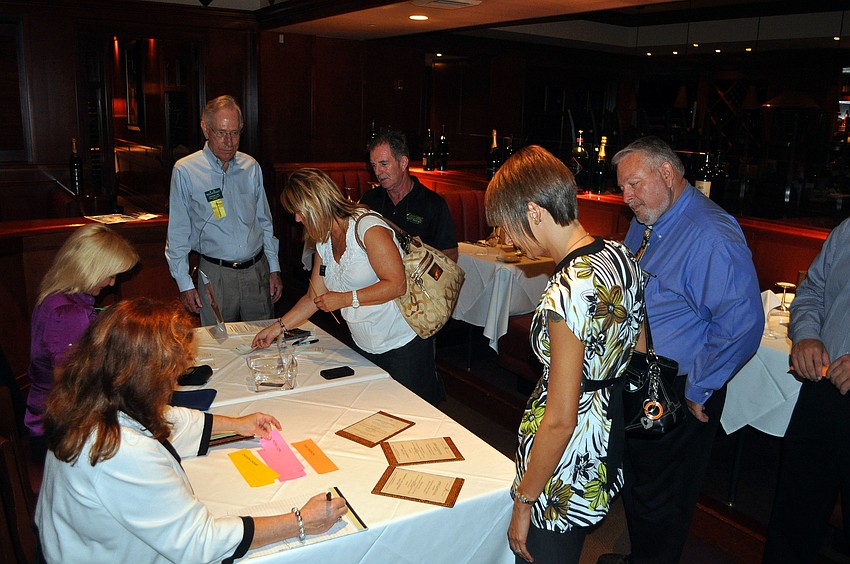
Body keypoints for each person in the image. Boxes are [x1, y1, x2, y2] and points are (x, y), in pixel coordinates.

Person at [36, 298, 347, 563]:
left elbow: (165, 420)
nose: (176, 380)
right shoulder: (120, 450)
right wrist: (301, 521)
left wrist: (236, 425)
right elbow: (199, 543)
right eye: (173, 371)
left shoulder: (90, 400)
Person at [598, 137, 763, 564]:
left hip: (680, 387)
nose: (625, 197)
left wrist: (700, 388)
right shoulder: (650, 216)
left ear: (667, 174)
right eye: (622, 187)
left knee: (663, 501)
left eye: (633, 184)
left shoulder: (710, 234)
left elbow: (742, 324)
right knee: (638, 484)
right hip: (641, 377)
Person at [487, 145, 646, 563]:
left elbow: (559, 419)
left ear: (534, 211)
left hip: (563, 459)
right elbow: (641, 345)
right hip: (604, 435)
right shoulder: (620, 254)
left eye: (507, 226)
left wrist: (524, 502)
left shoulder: (566, 291)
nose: (507, 239)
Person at [252, 168, 444, 404]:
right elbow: (314, 297)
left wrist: (345, 299)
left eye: (299, 212)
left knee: (415, 417)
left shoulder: (367, 228)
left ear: (316, 204)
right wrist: (275, 329)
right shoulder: (324, 239)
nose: (297, 219)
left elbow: (397, 285)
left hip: (402, 345)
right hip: (363, 345)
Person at [763, 217, 850, 563]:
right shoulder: (847, 230)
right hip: (824, 394)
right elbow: (812, 291)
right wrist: (807, 334)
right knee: (794, 520)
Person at [25, 223, 139, 464]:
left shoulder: (61, 296)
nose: (112, 283)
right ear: (90, 269)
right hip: (60, 433)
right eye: (111, 274)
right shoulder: (68, 313)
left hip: (50, 416)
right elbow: (72, 389)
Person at [166, 94, 282, 326]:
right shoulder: (186, 170)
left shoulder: (251, 167)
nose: (229, 141)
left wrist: (274, 268)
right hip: (215, 274)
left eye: (235, 133)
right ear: (206, 129)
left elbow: (265, 223)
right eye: (221, 133)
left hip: (256, 271)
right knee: (217, 346)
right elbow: (177, 233)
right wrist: (184, 283)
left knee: (264, 341)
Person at [362, 130, 458, 262]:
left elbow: (450, 254)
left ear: (403, 163)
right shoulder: (369, 200)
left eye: (384, 164)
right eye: (374, 165)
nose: (377, 172)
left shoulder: (433, 204)